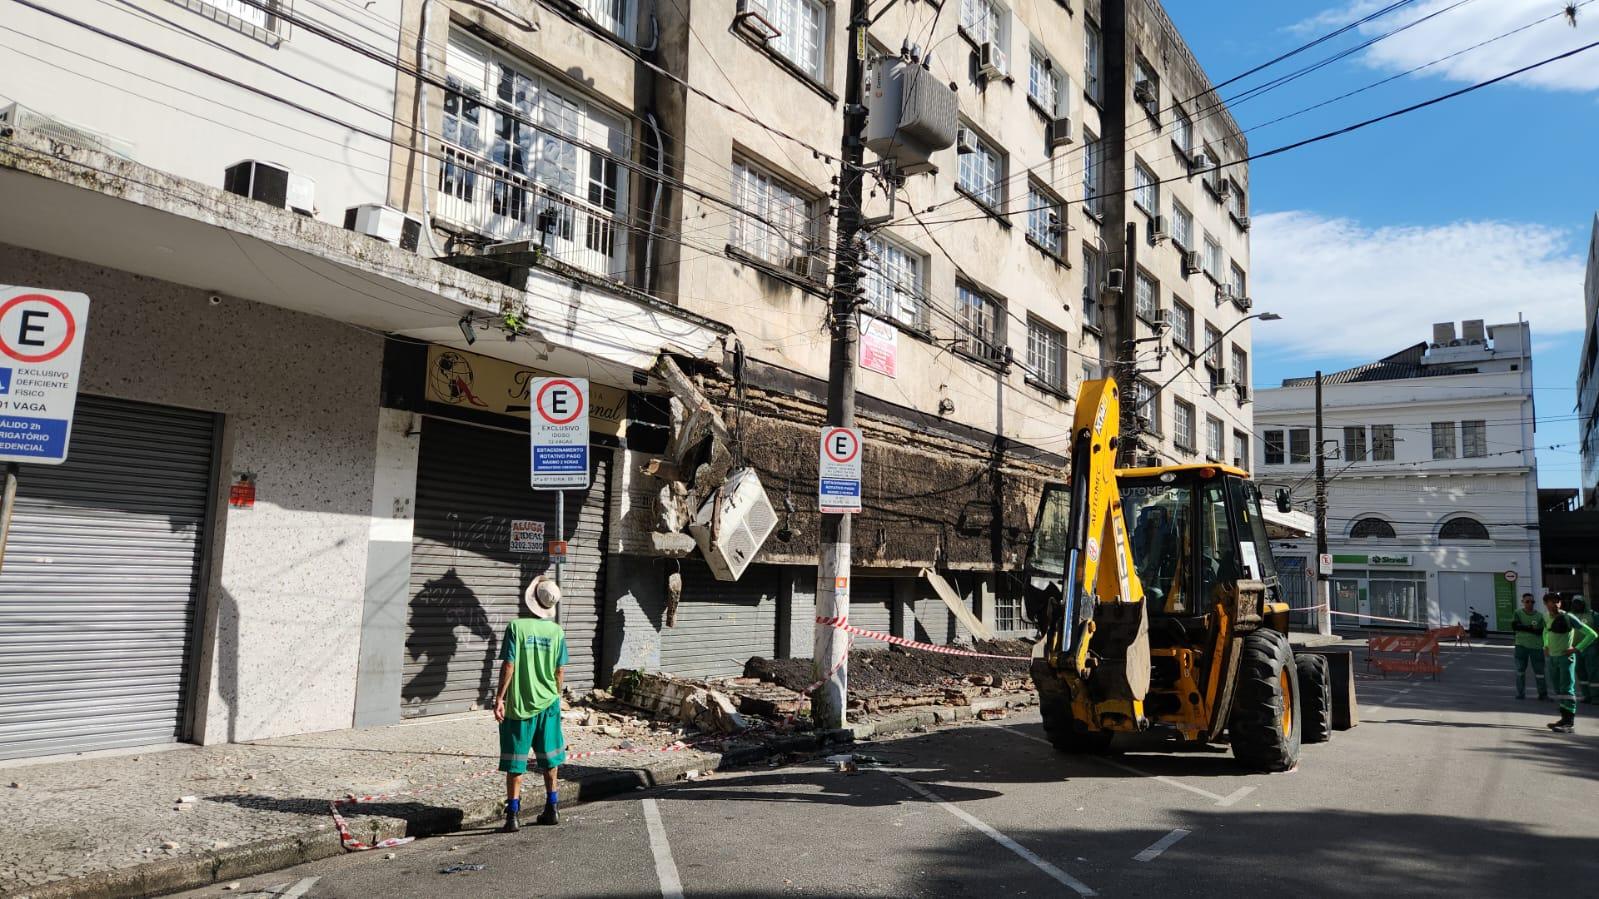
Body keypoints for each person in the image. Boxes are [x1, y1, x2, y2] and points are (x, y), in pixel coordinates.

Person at [494, 576, 569, 832]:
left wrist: (499, 698)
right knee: (550, 761)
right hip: (549, 705)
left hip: (520, 707)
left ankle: (512, 815)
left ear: (531, 600)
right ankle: (552, 808)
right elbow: (560, 671)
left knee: (516, 763)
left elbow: (509, 665)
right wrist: (555, 696)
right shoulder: (557, 632)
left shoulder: (516, 628)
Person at [1542, 593, 1598, 733]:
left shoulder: (1569, 617)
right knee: (1558, 689)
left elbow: (1592, 634)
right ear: (1545, 604)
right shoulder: (1546, 616)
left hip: (1565, 659)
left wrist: (1577, 648)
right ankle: (1563, 718)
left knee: (1567, 689)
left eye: (1556, 602)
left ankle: (1569, 723)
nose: (1553, 604)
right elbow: (1545, 631)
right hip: (1552, 658)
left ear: (1560, 603)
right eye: (1549, 602)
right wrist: (1546, 645)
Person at [1510, 593, 1547, 700]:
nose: (1530, 603)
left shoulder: (1540, 615)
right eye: (1527, 601)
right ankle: (1520, 693)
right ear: (1522, 602)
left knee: (1540, 672)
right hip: (1521, 646)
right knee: (1520, 670)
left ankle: (1543, 694)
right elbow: (1515, 626)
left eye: (1532, 602)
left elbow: (1542, 631)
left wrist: (1525, 627)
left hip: (1537, 647)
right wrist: (1532, 629)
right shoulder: (1517, 613)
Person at [1569, 596, 1598, 704]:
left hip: (1591, 647)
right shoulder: (1570, 616)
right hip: (1575, 648)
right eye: (1574, 602)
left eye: (1579, 603)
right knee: (1580, 672)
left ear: (1584, 604)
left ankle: (1596, 697)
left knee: (1593, 672)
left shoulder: (1593, 615)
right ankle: (1587, 696)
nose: (1576, 605)